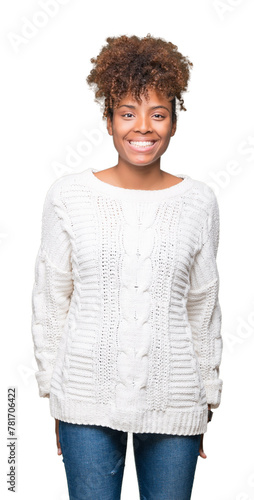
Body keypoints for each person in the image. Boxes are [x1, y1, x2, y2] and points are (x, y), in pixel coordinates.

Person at [31, 33, 223, 500]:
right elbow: (51, 299)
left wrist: (207, 396)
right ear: (109, 120)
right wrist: (54, 392)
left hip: (175, 400)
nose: (143, 128)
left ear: (174, 122)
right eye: (128, 113)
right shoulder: (68, 196)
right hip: (85, 403)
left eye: (158, 114)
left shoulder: (199, 202)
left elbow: (203, 307)